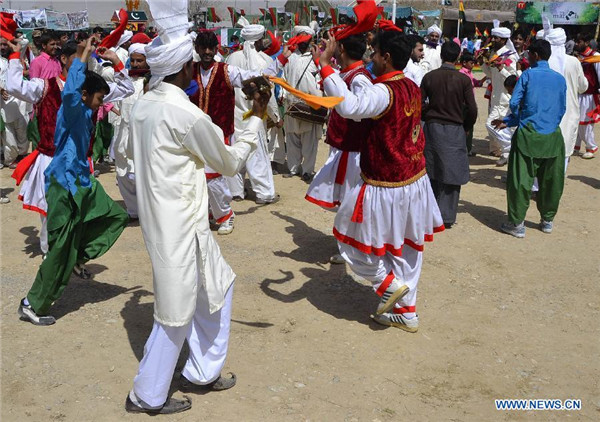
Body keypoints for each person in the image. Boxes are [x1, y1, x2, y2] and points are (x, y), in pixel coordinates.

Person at [126, 0, 269, 413]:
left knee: (216, 290)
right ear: (183, 69)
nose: (197, 67)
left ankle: (202, 372)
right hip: (179, 225)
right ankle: (146, 395)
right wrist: (256, 119)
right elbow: (227, 162)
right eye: (191, 62)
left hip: (175, 221)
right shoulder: (184, 112)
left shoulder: (144, 104)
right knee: (175, 312)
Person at [319, 29, 444, 332]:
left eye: (374, 53)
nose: (370, 58)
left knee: (347, 237)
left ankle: (387, 285)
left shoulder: (382, 92)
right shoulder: (411, 86)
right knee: (406, 249)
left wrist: (325, 64)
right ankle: (406, 312)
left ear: (386, 57)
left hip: (385, 183)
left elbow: (348, 107)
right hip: (414, 181)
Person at [17, 36, 130, 326]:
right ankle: (33, 303)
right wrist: (82, 55)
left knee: (115, 216)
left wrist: (106, 60)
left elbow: (124, 89)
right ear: (84, 95)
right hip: (63, 184)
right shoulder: (72, 108)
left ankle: (77, 256)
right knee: (57, 250)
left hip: (82, 182)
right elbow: (70, 91)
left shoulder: (88, 110)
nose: (101, 103)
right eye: (98, 97)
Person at [7, 39, 133, 256]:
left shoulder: (93, 87)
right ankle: (51, 255)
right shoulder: (44, 86)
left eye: (86, 54)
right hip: (52, 161)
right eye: (79, 54)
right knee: (51, 212)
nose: (83, 60)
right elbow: (13, 86)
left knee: (79, 211)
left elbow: (126, 88)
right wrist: (15, 57)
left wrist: (115, 61)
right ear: (64, 59)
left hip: (80, 161)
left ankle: (73, 256)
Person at [493, 39, 567, 238]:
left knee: (520, 180)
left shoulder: (528, 75)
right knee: (552, 181)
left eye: (528, 54)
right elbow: (562, 109)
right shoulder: (560, 79)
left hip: (528, 135)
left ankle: (516, 224)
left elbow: (515, 103)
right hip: (553, 137)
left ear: (535, 55)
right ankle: (547, 220)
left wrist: (511, 121)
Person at [421, 41, 478, 228]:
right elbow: (472, 108)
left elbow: (418, 104)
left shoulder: (429, 77)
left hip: (432, 128)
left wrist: (428, 112)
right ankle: (446, 216)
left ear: (441, 55)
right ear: (458, 57)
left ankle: (429, 212)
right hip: (455, 129)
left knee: (431, 169)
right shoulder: (463, 80)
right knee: (452, 174)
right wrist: (466, 126)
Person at [226, 24, 281, 205]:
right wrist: (276, 117)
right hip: (255, 116)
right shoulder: (265, 60)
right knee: (257, 154)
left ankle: (236, 191)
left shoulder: (231, 58)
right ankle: (264, 194)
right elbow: (268, 96)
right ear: (259, 40)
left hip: (235, 115)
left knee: (237, 152)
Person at [111, 40, 151, 219]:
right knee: (123, 172)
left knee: (142, 174)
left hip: (143, 134)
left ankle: (147, 209)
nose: (135, 64)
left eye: (139, 61)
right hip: (123, 133)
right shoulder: (124, 77)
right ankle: (133, 210)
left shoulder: (153, 80)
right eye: (133, 60)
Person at [281, 26, 323, 182]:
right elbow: (284, 78)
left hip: (309, 105)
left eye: (306, 40)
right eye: (301, 40)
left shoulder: (316, 59)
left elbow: (321, 79)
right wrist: (283, 94)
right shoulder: (290, 57)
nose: (303, 44)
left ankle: (307, 170)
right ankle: (293, 168)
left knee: (309, 140)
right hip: (291, 103)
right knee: (292, 138)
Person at [544, 28, 588, 171]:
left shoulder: (544, 63)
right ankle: (556, 185)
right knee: (565, 150)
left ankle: (538, 186)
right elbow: (583, 87)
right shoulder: (573, 62)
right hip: (569, 112)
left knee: (545, 150)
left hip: (547, 112)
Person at [482, 23, 518, 157]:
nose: (493, 40)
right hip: (495, 97)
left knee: (491, 125)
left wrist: (501, 68)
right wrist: (482, 62)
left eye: (496, 38)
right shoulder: (493, 54)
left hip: (505, 99)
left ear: (503, 40)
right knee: (497, 127)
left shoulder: (510, 56)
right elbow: (491, 75)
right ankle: (503, 152)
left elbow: (514, 78)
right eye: (493, 37)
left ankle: (508, 151)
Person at [1, 34, 29, 169]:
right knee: (8, 133)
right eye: (0, 44)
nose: (3, 47)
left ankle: (22, 155)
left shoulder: (15, 56)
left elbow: (25, 41)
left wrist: (9, 38)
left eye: (5, 44)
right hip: (4, 103)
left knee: (22, 129)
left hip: (19, 101)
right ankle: (10, 159)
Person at [574, 33, 600, 159]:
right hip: (579, 94)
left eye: (579, 42)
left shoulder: (595, 57)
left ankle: (591, 147)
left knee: (586, 122)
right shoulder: (578, 57)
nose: (576, 44)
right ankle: (575, 146)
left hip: (590, 96)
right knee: (577, 121)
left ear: (586, 42)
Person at [459, 52, 487, 155]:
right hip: (465, 104)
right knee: (466, 126)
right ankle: (465, 149)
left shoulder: (469, 73)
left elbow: (477, 83)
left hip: (469, 102)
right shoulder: (462, 74)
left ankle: (468, 149)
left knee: (469, 126)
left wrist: (486, 77)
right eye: (471, 62)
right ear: (464, 63)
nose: (473, 65)